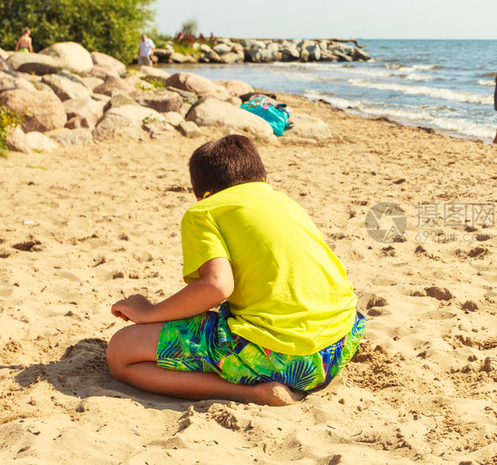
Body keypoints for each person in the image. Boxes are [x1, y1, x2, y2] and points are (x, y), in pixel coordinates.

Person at [106, 135, 366, 406]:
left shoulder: (204, 211)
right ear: (266, 182)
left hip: (279, 356)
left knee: (120, 352)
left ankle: (253, 393)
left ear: (200, 196)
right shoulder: (286, 202)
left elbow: (216, 287)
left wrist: (149, 312)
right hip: (341, 342)